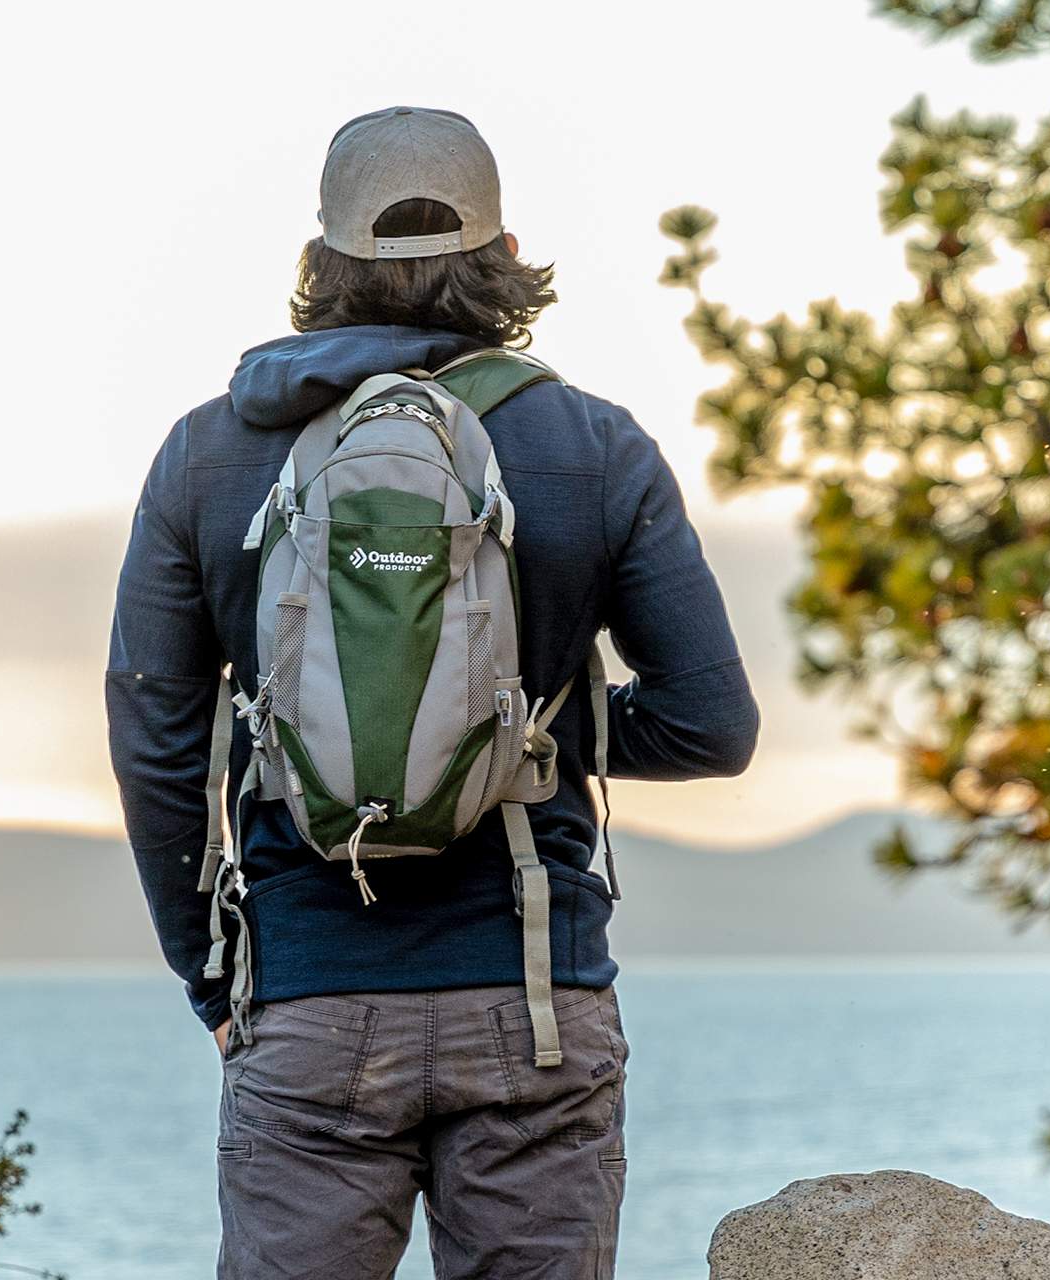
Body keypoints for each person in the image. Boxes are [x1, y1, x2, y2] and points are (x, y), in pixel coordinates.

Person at [106, 106, 758, 1280]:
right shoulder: (593, 449)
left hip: (307, 1003)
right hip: (534, 1002)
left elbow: (156, 743)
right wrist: (534, 732)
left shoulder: (208, 456)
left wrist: (213, 974)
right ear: (505, 259)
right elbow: (714, 724)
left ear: (323, 263)